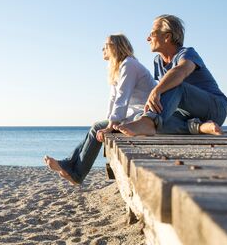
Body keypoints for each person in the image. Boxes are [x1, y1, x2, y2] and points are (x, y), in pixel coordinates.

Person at [44, 34, 156, 185]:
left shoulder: (129, 64)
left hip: (144, 116)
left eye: (106, 45)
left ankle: (75, 172)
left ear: (116, 47)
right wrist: (109, 122)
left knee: (98, 127)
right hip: (132, 114)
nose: (102, 48)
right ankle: (71, 166)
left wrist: (109, 126)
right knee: (98, 126)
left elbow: (122, 98)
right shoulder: (118, 68)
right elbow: (113, 100)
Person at [114, 15, 227, 136]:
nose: (148, 38)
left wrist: (156, 90)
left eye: (152, 34)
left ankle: (148, 122)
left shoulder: (187, 53)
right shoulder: (158, 61)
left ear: (167, 36)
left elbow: (181, 71)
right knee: (140, 116)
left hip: (215, 109)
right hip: (187, 114)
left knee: (174, 84)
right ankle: (199, 127)